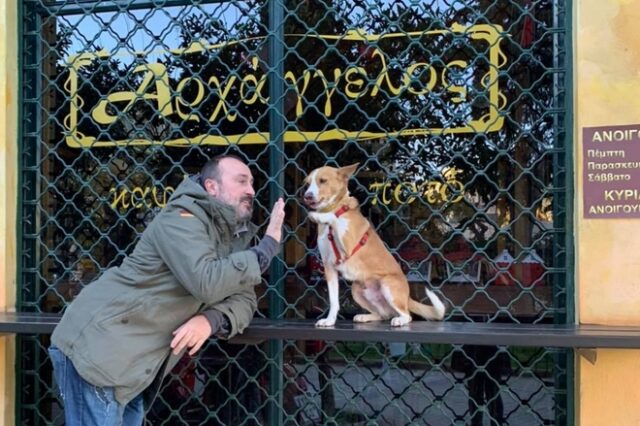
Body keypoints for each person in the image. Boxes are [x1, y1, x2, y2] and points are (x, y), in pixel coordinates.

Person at [49, 155, 286, 425]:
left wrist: (210, 320)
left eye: (252, 183)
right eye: (241, 181)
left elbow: (244, 298)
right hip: (99, 348)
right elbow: (206, 281)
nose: (251, 190)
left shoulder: (232, 236)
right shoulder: (181, 219)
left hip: (133, 365)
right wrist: (266, 249)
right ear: (212, 187)